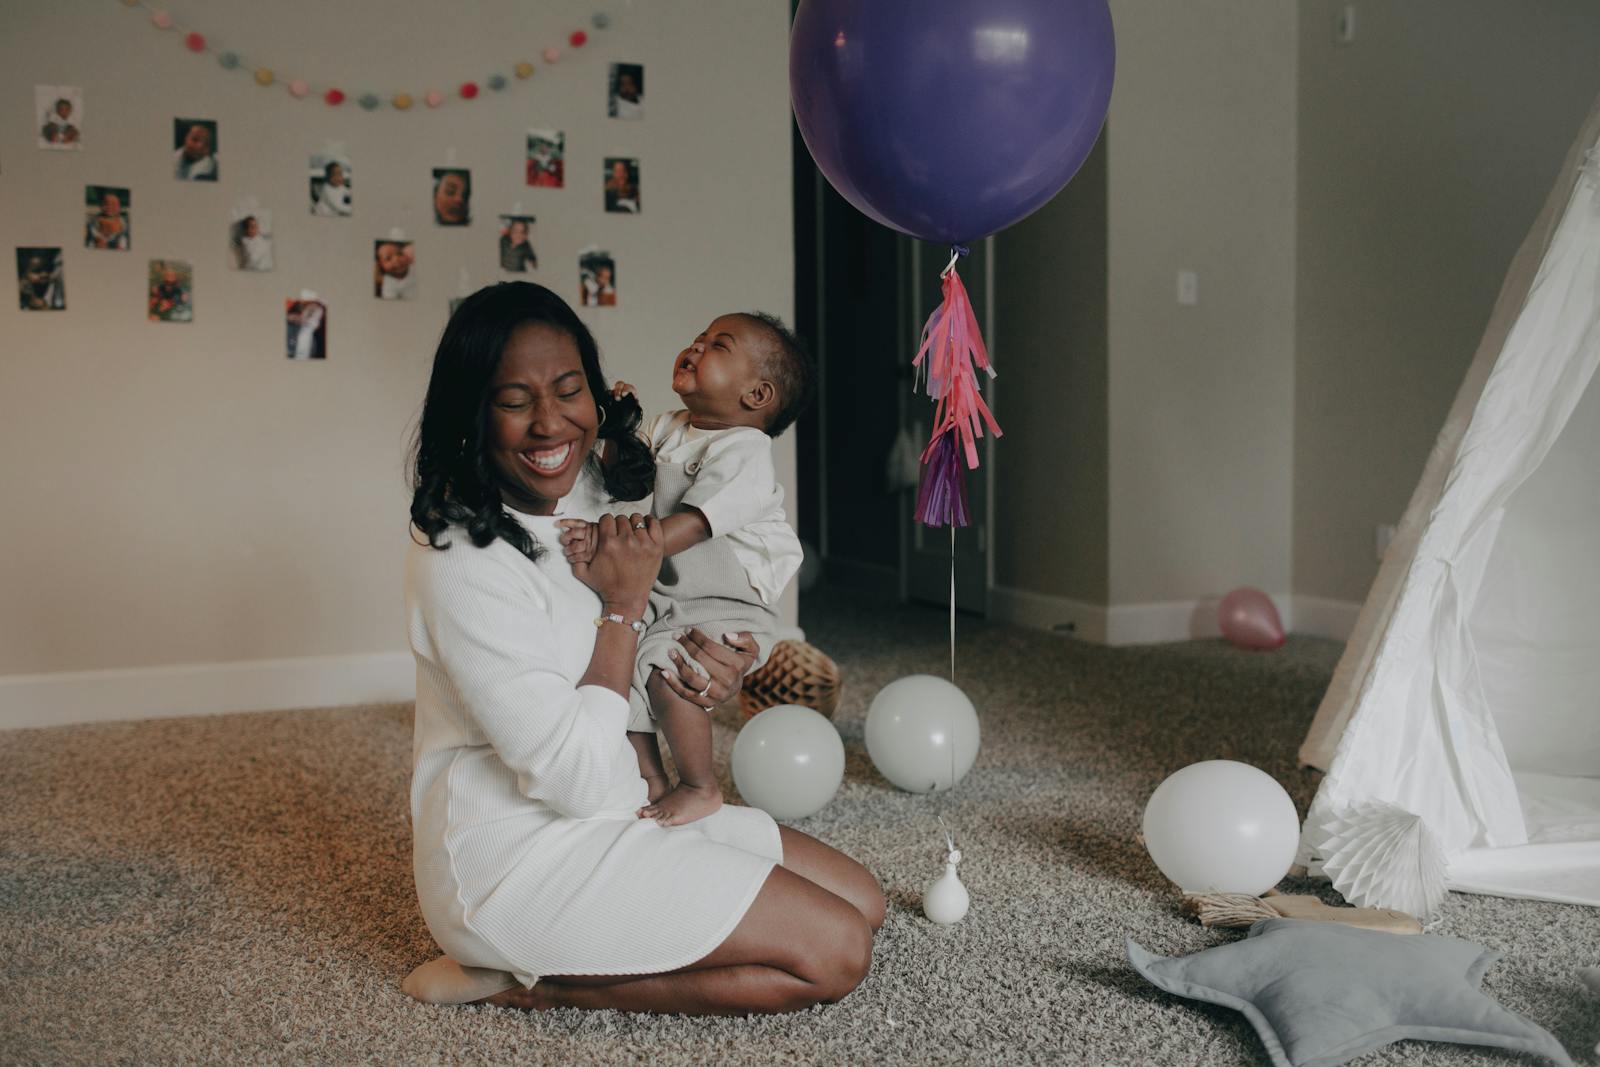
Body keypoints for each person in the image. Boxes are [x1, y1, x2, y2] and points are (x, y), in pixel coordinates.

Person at [402, 282, 881, 1015]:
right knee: (836, 951)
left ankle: (583, 941)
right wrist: (623, 607)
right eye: (513, 399)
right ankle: (532, 982)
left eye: (569, 390)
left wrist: (715, 669)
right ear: (473, 412)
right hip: (521, 856)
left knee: (865, 900)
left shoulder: (600, 488)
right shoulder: (460, 560)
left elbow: (699, 595)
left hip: (634, 801)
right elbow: (577, 782)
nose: (549, 424)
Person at [557, 313, 811, 826]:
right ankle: (650, 779)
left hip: (727, 595)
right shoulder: (669, 427)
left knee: (669, 675)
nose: (695, 347)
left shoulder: (746, 449)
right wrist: (616, 425)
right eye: (697, 338)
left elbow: (696, 524)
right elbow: (624, 479)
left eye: (718, 345)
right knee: (622, 667)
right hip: (674, 585)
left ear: (757, 396)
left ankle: (700, 785)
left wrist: (615, 547)